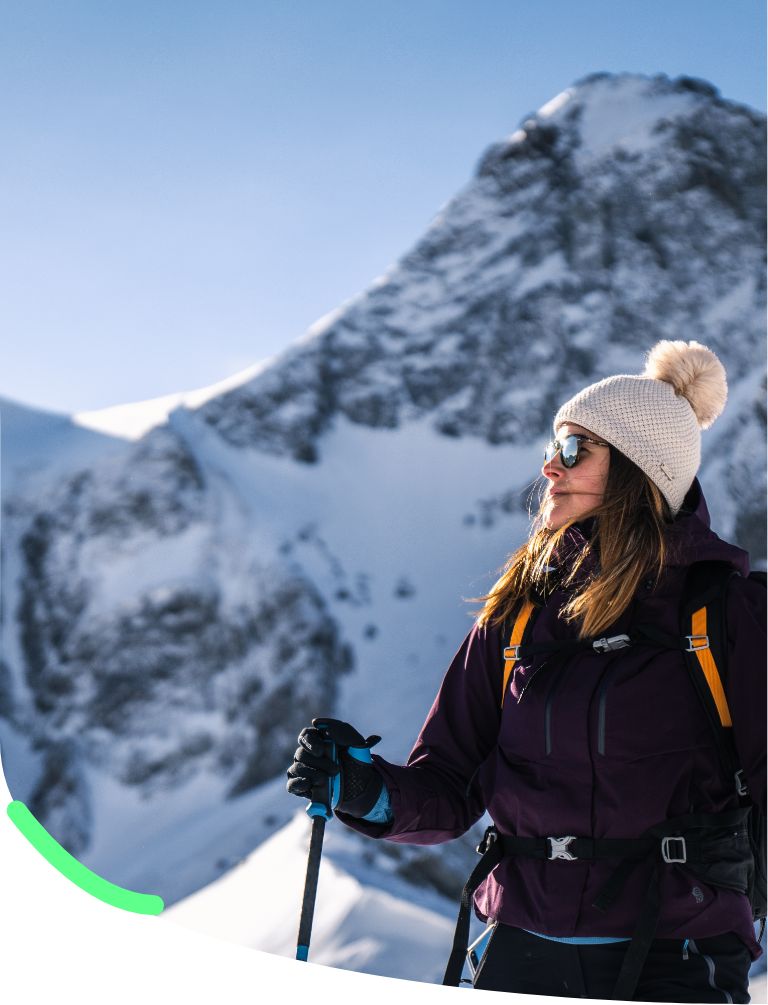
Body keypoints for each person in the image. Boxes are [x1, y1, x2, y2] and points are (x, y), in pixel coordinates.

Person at [287, 340, 766, 1002]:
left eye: (573, 450)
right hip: (520, 948)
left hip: (677, 953)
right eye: (554, 446)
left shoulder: (725, 612)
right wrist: (359, 787)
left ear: (637, 471)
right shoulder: (517, 616)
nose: (549, 467)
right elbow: (449, 784)